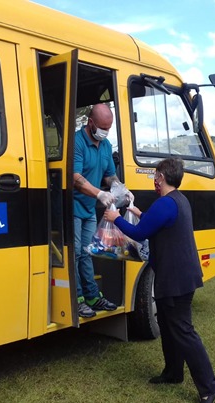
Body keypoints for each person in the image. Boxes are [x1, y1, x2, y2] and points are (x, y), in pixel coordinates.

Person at [103, 157, 215, 403]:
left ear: (162, 177)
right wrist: (137, 213)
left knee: (183, 332)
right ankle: (172, 372)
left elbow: (138, 233)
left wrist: (115, 218)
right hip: (175, 277)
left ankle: (209, 387)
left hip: (177, 280)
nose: (153, 180)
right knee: (167, 326)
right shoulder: (176, 200)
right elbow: (154, 222)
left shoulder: (166, 203)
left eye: (155, 175)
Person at [73, 103, 131, 318]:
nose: (105, 132)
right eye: (102, 127)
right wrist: (99, 194)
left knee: (87, 252)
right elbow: (75, 178)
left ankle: (92, 296)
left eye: (109, 128)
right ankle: (77, 298)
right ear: (90, 123)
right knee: (76, 253)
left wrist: (120, 188)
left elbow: (109, 174)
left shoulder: (105, 145)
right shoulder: (77, 142)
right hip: (73, 206)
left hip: (88, 209)